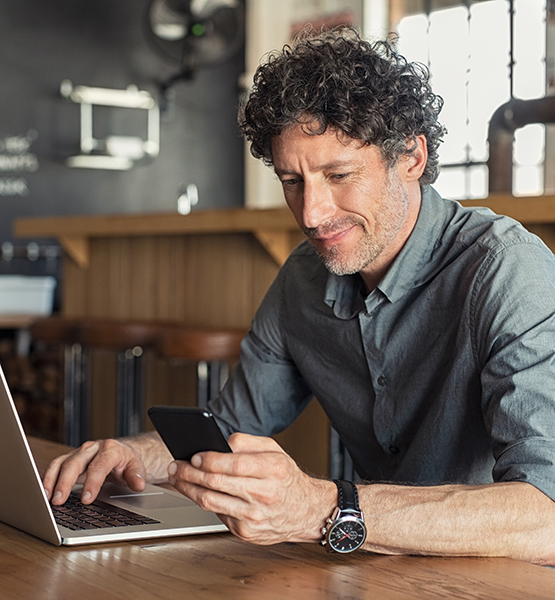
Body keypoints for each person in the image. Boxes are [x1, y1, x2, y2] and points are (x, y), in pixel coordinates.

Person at [43, 27, 555, 564]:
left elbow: (545, 513)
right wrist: (132, 454)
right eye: (292, 180)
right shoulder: (304, 279)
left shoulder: (507, 270)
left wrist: (320, 509)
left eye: (339, 174)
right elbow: (231, 425)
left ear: (411, 156)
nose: (311, 214)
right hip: (381, 569)